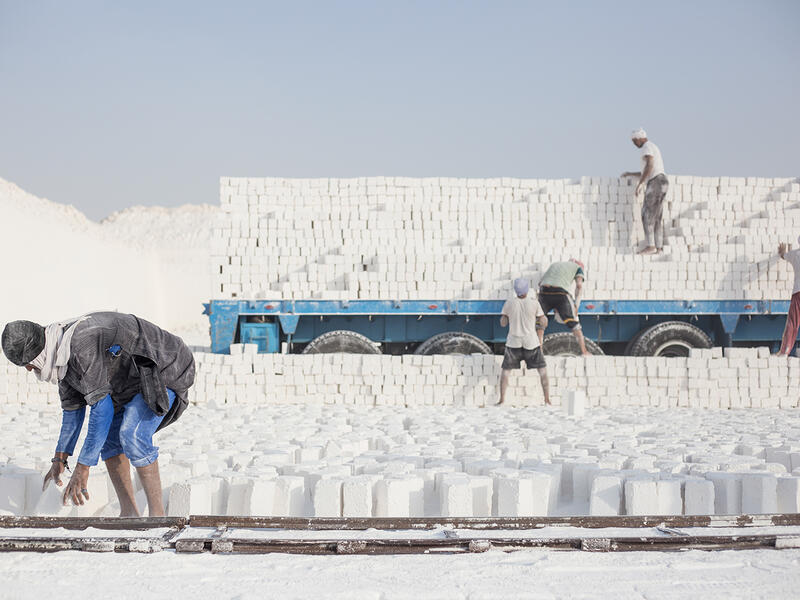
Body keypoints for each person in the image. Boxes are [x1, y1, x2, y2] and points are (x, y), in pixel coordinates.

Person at [1, 312, 195, 516]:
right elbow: (72, 412)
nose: (30, 370)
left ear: (35, 353)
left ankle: (157, 516)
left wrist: (83, 467)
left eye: (28, 364)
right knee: (110, 442)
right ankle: (129, 514)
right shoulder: (60, 356)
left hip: (165, 367)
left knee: (132, 434)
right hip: (131, 380)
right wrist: (59, 460)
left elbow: (102, 411)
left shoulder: (79, 345)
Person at [498, 278, 550, 406]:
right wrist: (542, 321)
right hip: (531, 342)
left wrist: (507, 317)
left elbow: (503, 323)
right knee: (542, 371)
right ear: (527, 290)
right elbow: (543, 322)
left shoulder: (509, 303)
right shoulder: (534, 303)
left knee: (505, 372)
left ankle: (502, 400)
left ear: (516, 291)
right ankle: (547, 400)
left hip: (513, 343)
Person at [622, 128, 668, 255]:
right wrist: (630, 174)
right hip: (663, 181)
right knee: (657, 217)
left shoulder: (646, 147)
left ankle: (650, 246)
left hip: (655, 182)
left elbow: (650, 165)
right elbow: (645, 171)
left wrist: (640, 184)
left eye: (634, 141)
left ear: (639, 138)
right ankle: (658, 248)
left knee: (646, 214)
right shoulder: (653, 146)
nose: (634, 144)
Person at [538, 258, 591, 356]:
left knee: (539, 322)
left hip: (543, 292)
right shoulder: (578, 267)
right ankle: (584, 351)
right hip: (560, 293)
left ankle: (539, 352)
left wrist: (552, 304)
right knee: (574, 323)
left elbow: (540, 283)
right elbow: (579, 286)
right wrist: (576, 305)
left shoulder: (554, 264)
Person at [777, 239, 800, 356]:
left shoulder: (795, 254)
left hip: (798, 292)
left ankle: (784, 351)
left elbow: (783, 256)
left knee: (793, 323)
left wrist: (782, 250)